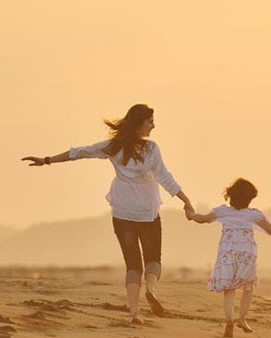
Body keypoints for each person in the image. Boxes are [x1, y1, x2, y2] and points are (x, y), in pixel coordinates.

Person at [21, 104, 194, 324]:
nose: (153, 125)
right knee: (153, 259)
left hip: (122, 214)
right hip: (147, 213)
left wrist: (46, 160)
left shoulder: (113, 147)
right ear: (139, 123)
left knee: (132, 265)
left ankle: (134, 313)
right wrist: (186, 200)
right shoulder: (151, 149)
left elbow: (79, 152)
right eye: (150, 121)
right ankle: (151, 289)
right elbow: (165, 177)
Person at [187, 178, 271, 337]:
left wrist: (190, 214)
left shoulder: (222, 211)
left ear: (230, 195)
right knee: (248, 287)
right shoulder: (253, 215)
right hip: (246, 254)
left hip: (227, 254)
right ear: (250, 199)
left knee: (229, 289)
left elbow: (201, 219)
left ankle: (229, 321)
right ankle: (242, 319)